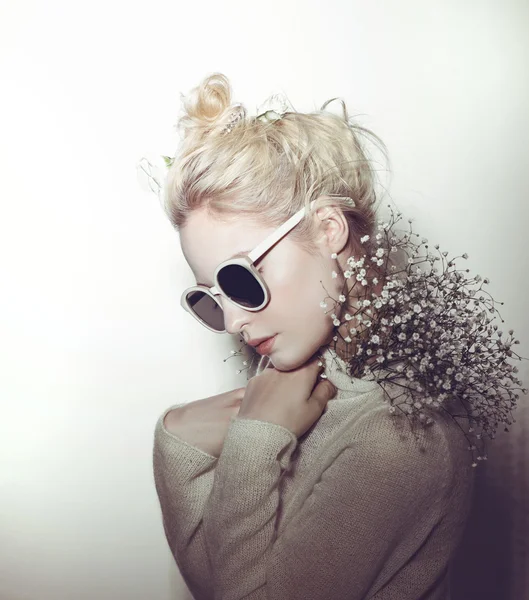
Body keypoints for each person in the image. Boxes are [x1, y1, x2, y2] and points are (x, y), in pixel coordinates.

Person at [151, 72, 477, 599]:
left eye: (240, 278)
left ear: (328, 230)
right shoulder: (293, 398)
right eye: (209, 298)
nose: (233, 323)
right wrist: (181, 444)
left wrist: (252, 441)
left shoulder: (399, 440)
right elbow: (222, 585)